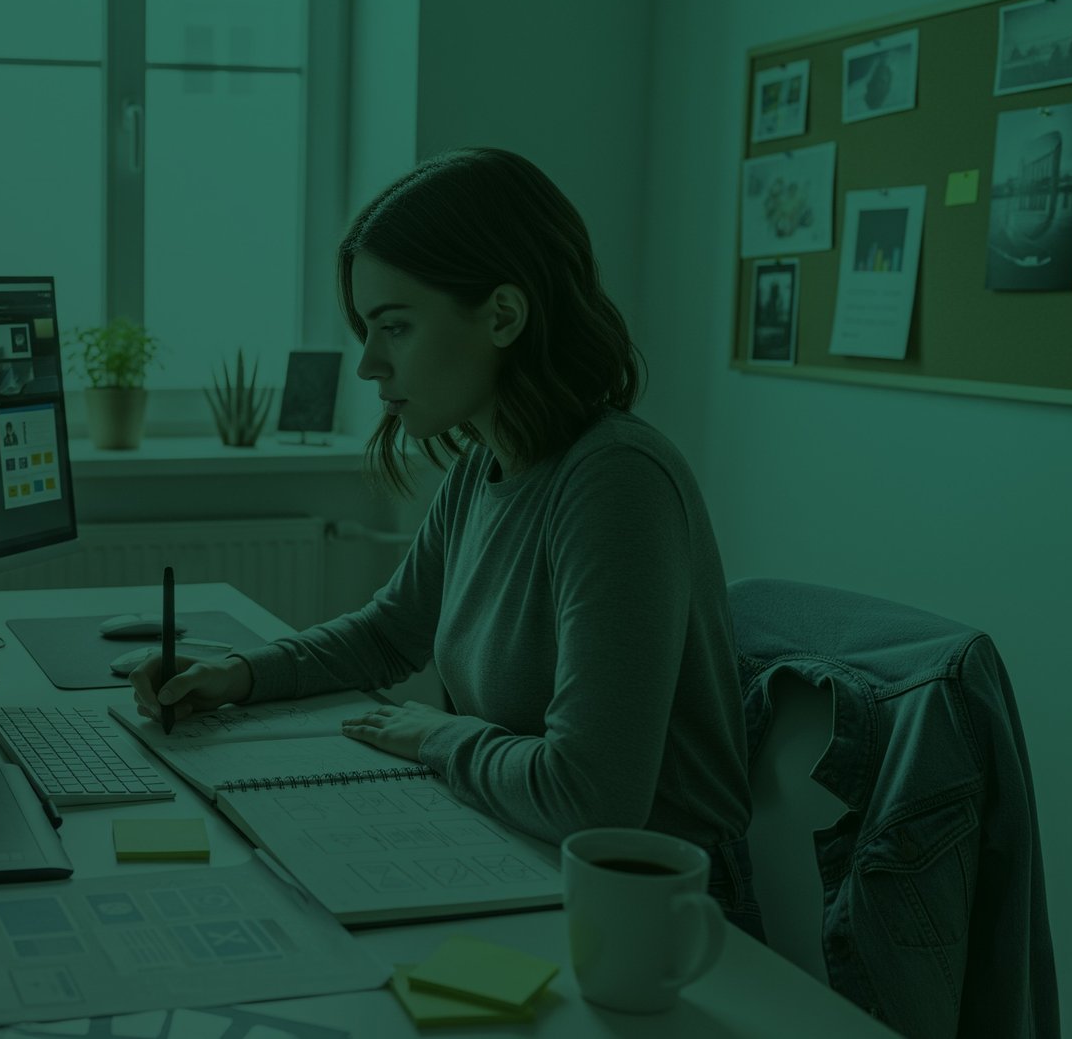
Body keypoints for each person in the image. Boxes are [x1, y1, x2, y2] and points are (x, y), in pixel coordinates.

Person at [129, 147, 760, 936]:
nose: (367, 363)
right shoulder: (485, 466)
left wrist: (436, 735)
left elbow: (590, 798)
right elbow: (393, 631)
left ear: (503, 314)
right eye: (367, 328)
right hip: (524, 854)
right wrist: (236, 675)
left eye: (395, 326)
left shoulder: (615, 481)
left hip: (659, 919)